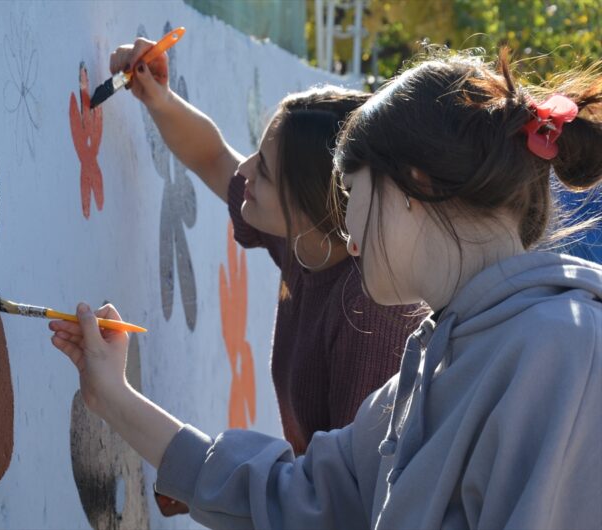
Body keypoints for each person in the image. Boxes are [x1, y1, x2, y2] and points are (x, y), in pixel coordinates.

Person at [50, 48, 602, 529]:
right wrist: (113, 396)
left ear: (416, 185)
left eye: (351, 192)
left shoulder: (563, 353)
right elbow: (301, 498)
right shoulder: (434, 363)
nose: (348, 229)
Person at [108, 39, 421, 458]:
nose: (245, 169)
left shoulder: (370, 313)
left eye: (266, 171)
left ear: (313, 204)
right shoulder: (309, 242)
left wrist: (226, 486)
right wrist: (158, 97)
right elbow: (214, 158)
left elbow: (347, 494)